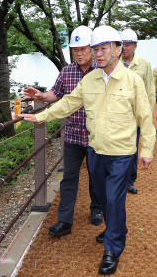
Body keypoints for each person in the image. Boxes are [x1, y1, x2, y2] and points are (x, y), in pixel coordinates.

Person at [19, 25, 155, 275]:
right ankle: (117, 228)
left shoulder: (132, 81)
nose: (99, 53)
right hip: (96, 150)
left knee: (114, 199)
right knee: (104, 198)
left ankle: (113, 249)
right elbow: (68, 104)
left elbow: (145, 118)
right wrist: (40, 117)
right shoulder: (89, 80)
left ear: (117, 49)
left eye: (103, 48)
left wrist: (146, 149)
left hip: (122, 152)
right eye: (96, 48)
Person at [22, 26, 103, 237]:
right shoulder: (66, 72)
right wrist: (40, 96)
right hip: (73, 135)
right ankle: (64, 221)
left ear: (92, 49)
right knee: (69, 178)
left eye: (83, 48)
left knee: (97, 176)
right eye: (76, 49)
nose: (79, 53)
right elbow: (55, 94)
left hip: (97, 135)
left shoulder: (102, 72)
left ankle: (96, 209)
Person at [119, 28, 155, 195]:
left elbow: (149, 91)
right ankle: (117, 178)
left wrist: (147, 115)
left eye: (128, 44)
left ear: (135, 46)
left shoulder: (144, 65)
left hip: (136, 114)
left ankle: (129, 181)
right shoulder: (113, 63)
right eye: (121, 44)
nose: (124, 48)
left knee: (132, 149)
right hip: (118, 114)